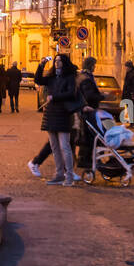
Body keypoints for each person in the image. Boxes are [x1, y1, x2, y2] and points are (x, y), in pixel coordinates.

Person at [35, 54, 81, 185]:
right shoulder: (51, 77)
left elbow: (71, 93)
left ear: (64, 63)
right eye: (55, 61)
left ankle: (69, 176)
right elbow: (38, 80)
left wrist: (54, 97)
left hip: (63, 114)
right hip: (50, 114)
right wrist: (41, 65)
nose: (57, 63)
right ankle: (59, 174)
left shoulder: (69, 77)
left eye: (59, 61)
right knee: (54, 147)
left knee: (64, 146)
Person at [74, 56, 104, 172]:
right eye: (94, 65)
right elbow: (89, 95)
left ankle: (86, 158)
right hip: (88, 110)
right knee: (92, 136)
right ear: (90, 65)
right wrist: (102, 96)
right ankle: (88, 159)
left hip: (88, 110)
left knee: (88, 136)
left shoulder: (84, 76)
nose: (95, 67)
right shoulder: (86, 78)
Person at [122, 61, 134, 126]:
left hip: (132, 95)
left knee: (132, 109)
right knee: (129, 109)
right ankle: (132, 123)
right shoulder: (129, 73)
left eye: (127, 67)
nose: (126, 68)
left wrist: (132, 94)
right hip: (128, 94)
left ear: (130, 67)